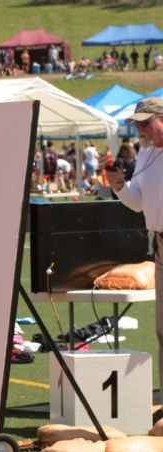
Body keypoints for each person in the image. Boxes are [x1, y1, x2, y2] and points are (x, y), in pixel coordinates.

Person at [105, 97, 163, 405]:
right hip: (159, 244)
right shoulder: (145, 153)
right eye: (137, 124)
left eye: (145, 123)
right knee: (162, 330)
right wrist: (119, 186)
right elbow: (138, 204)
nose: (140, 129)